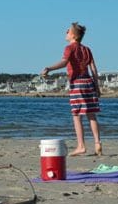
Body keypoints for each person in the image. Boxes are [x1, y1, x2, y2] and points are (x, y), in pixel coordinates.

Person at [42, 22, 102, 156]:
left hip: (77, 83)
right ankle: (98, 143)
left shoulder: (69, 48)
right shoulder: (87, 49)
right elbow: (93, 69)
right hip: (89, 82)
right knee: (91, 114)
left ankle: (81, 145)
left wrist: (49, 68)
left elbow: (64, 62)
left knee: (76, 115)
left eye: (68, 31)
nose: (65, 32)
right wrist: (97, 87)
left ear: (73, 35)